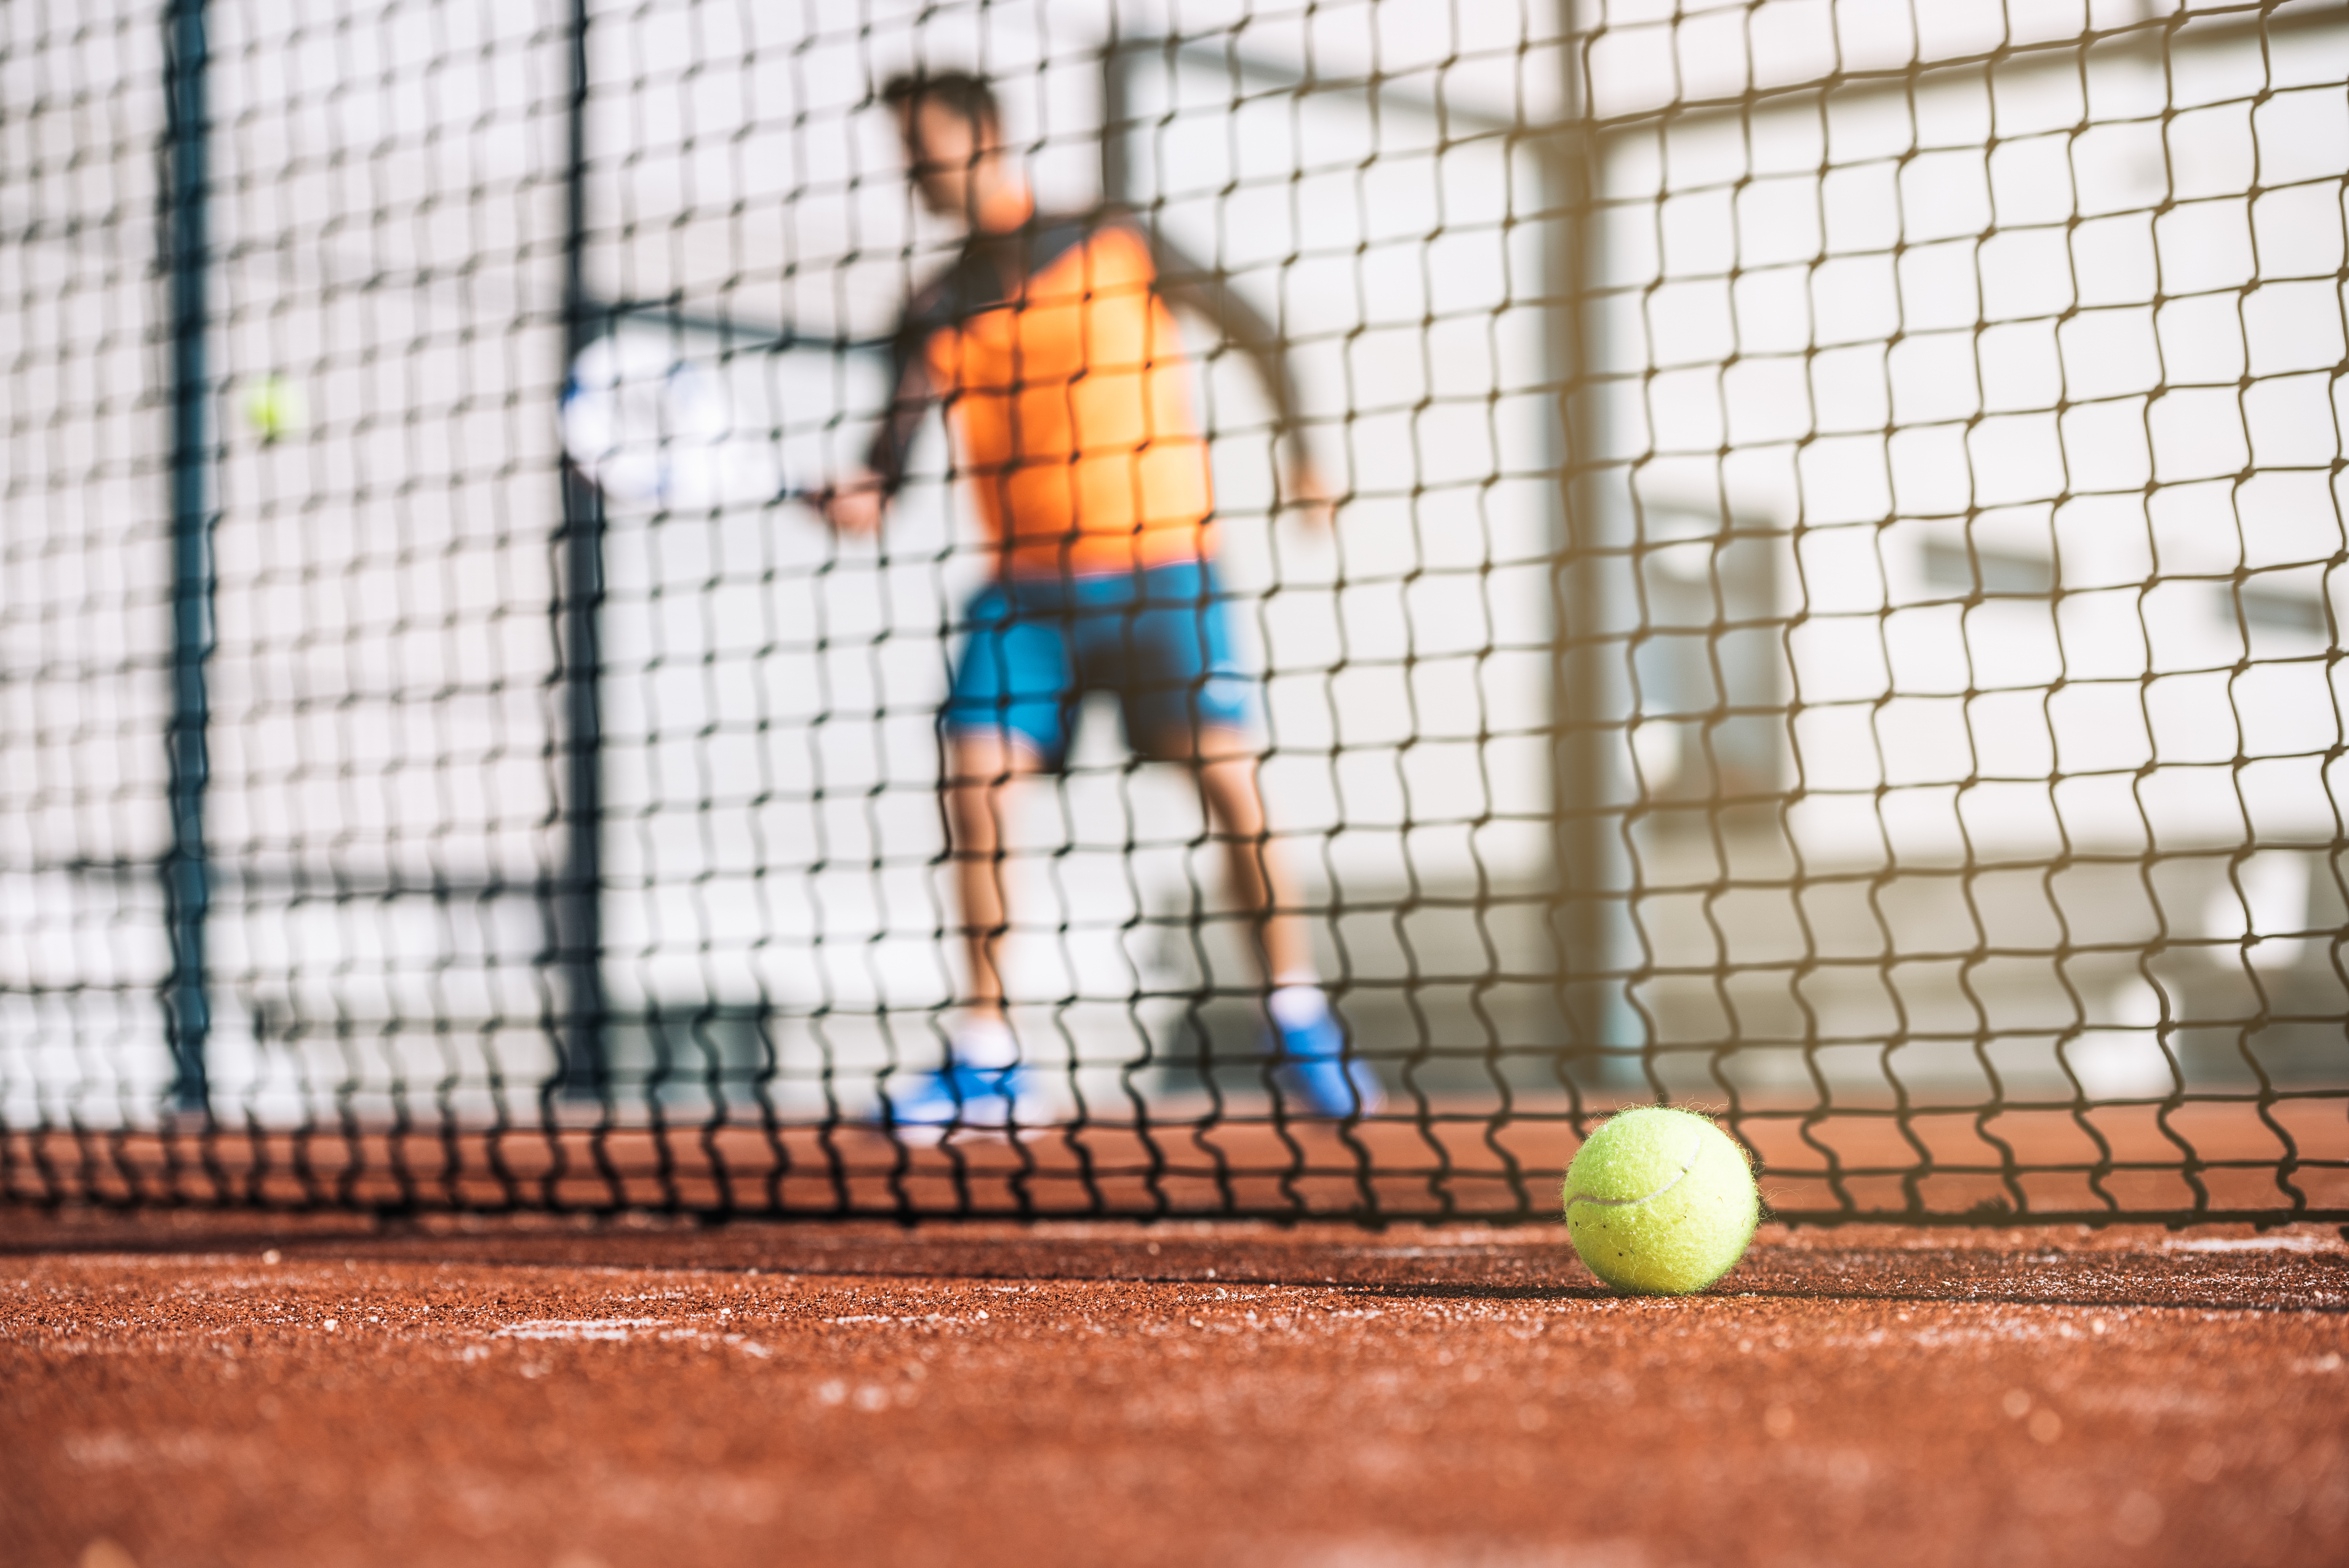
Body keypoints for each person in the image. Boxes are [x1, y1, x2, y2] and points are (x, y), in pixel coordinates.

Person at [814, 69, 1381, 1127]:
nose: (913, 175)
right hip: (1025, 595)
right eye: (904, 157)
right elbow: (884, 461)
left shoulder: (1115, 240)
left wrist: (1307, 459)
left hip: (1165, 570)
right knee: (975, 784)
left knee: (1231, 787)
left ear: (984, 139)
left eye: (924, 152)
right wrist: (857, 494)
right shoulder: (931, 306)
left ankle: (1297, 1017)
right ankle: (987, 1056)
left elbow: (1258, 328)